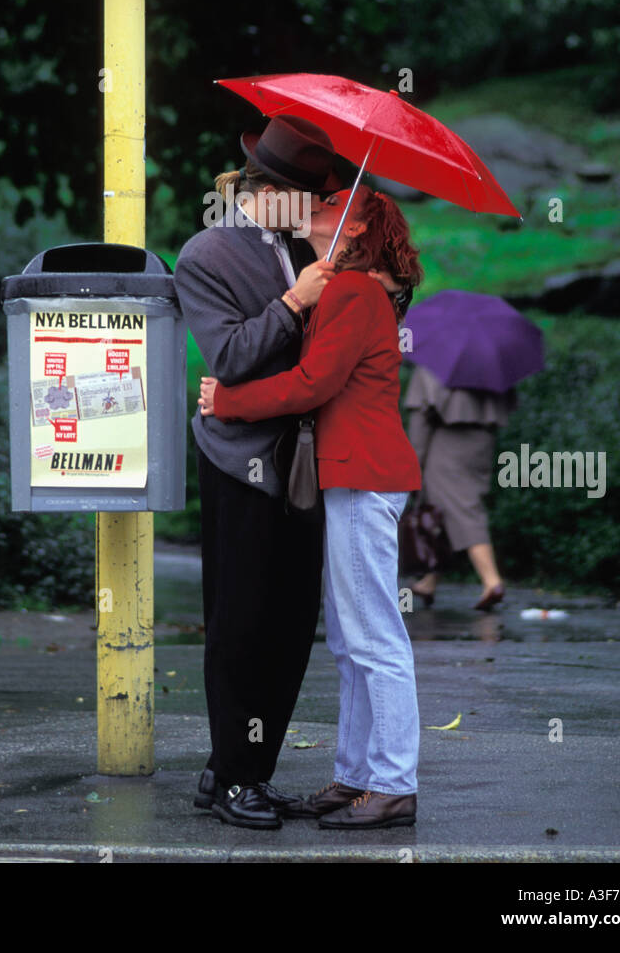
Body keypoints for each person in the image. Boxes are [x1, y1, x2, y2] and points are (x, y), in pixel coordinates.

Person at [200, 185, 424, 831]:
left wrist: (226, 402)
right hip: (356, 474)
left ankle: (392, 783)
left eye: (327, 203)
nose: (313, 208)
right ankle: (357, 776)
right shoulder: (353, 289)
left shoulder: (355, 293)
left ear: (353, 228)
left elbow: (312, 384)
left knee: (374, 637)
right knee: (353, 640)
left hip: (362, 473)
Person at [174, 115, 341, 830]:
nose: (311, 212)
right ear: (266, 189)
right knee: (241, 620)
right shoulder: (206, 255)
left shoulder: (307, 244)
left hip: (305, 453)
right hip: (239, 461)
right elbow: (233, 358)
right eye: (303, 197)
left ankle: (235, 767)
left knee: (291, 618)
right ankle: (240, 775)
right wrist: (296, 301)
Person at [403, 365, 516, 610]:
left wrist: (415, 462)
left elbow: (421, 421)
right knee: (443, 510)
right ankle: (430, 581)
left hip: (447, 445)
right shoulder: (488, 362)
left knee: (462, 509)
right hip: (482, 440)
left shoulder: (433, 361)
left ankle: (492, 581)